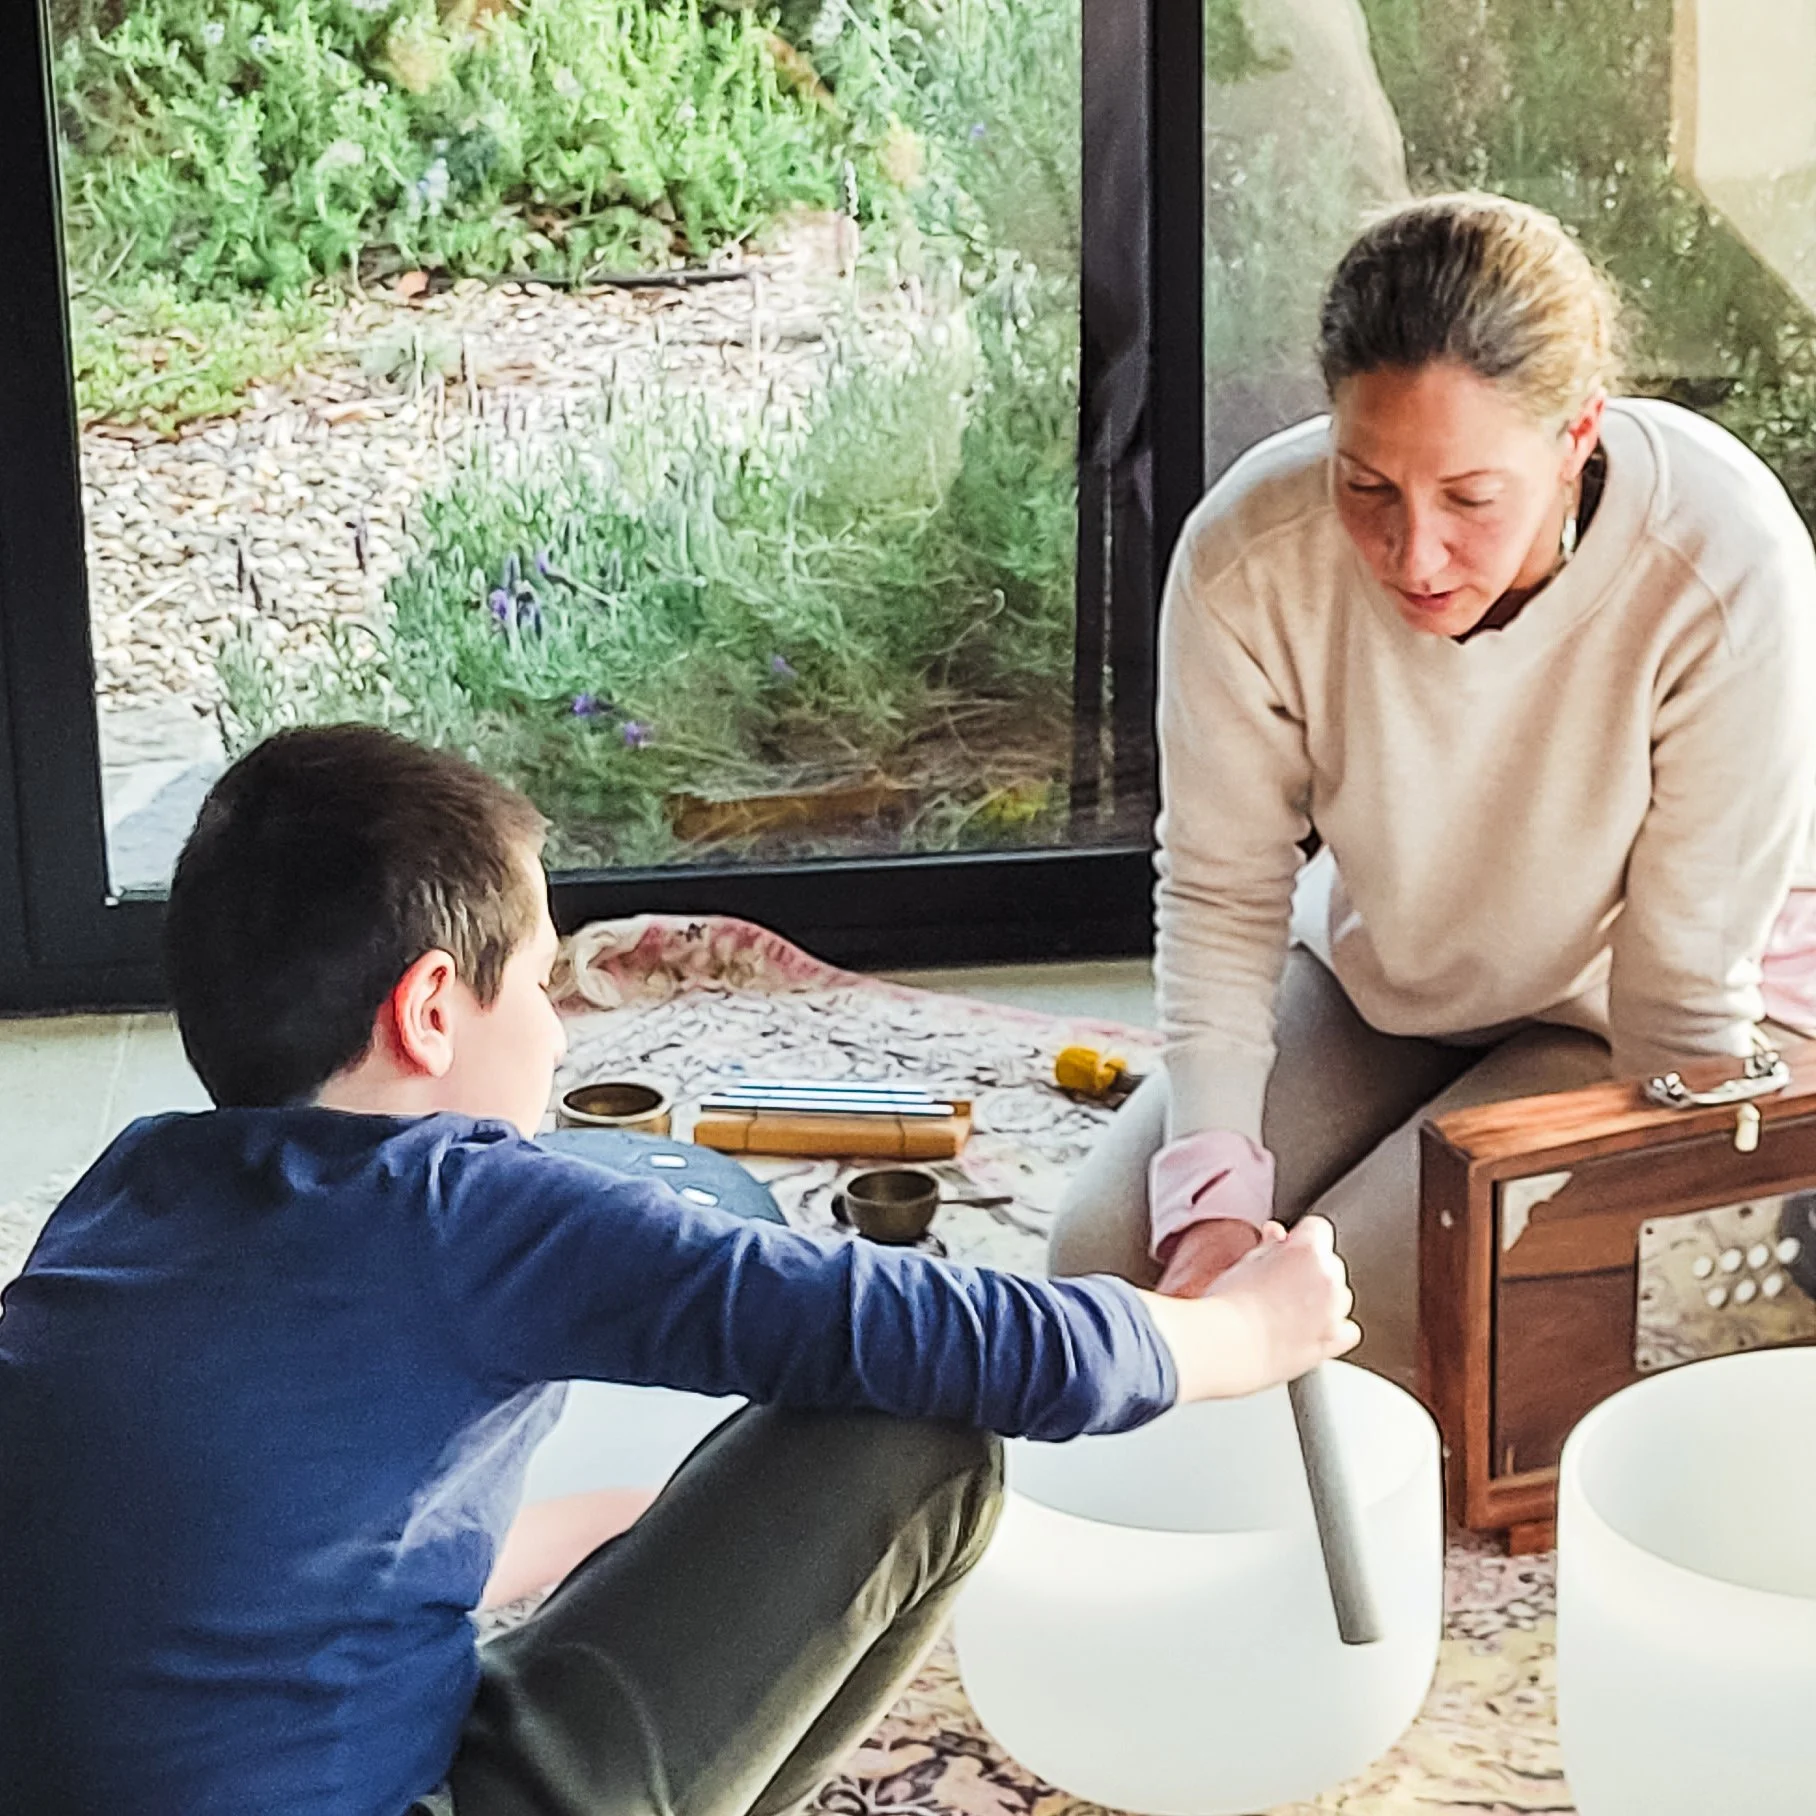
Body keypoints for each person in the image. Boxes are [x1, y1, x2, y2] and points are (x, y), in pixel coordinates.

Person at [0, 724, 1356, 1816]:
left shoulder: (125, 1194)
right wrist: (1241, 1335)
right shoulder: (459, 1210)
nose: (556, 1033)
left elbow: (248, 1558)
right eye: (539, 986)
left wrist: (610, 1531)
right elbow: (894, 1324)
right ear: (429, 1011)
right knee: (911, 1432)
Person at [1052, 192, 1816, 1387]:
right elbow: (1220, 892)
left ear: (1576, 437)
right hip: (1385, 973)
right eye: (1367, 486)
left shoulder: (1723, 554)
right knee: (1108, 1281)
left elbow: (1677, 998)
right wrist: (1211, 1202)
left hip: (1616, 1013)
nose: (1414, 556)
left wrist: (1668, 1246)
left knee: (1342, 1359)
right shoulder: (1248, 556)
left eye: (1469, 498)